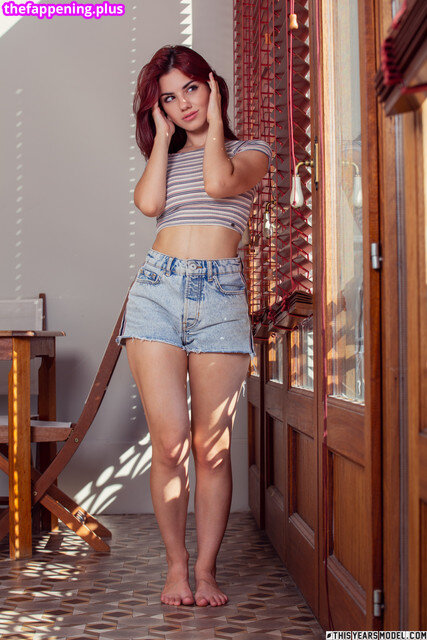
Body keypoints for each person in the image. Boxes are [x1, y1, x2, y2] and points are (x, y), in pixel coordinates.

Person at [115, 45, 272, 608]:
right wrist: (162, 140)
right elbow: (148, 203)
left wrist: (218, 124)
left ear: (213, 87)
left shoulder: (251, 151)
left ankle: (206, 571)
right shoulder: (168, 153)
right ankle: (176, 567)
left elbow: (220, 185)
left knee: (212, 448)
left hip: (221, 297)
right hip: (157, 291)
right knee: (170, 443)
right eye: (168, 98)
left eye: (192, 89)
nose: (183, 104)